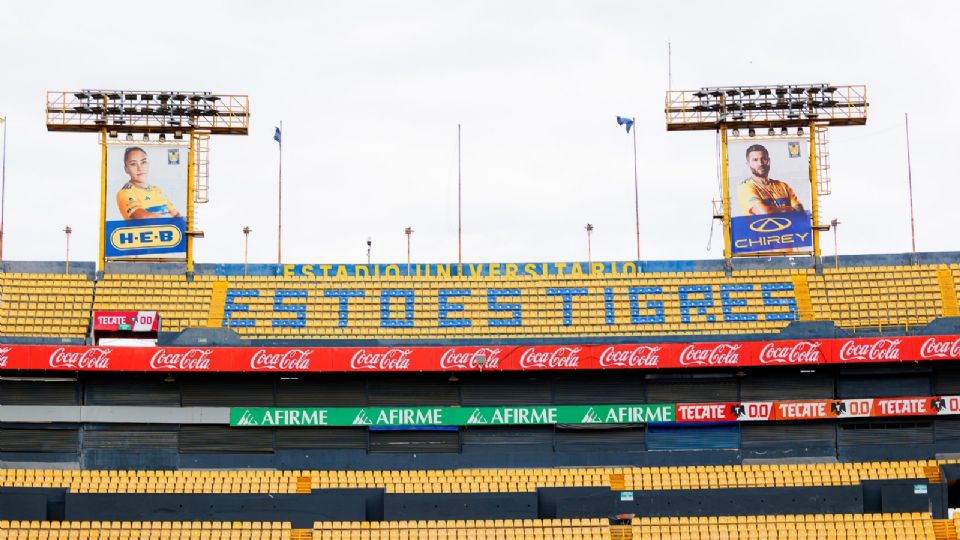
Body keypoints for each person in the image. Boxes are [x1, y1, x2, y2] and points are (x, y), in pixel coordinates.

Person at [115, 146, 182, 220]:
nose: (140, 168)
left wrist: (169, 216)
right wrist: (169, 216)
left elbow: (177, 215)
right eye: (133, 164)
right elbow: (145, 219)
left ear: (148, 164)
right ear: (126, 169)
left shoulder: (157, 190)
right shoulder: (125, 192)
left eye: (143, 162)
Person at [736, 144, 804, 216]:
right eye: (755, 160)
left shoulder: (783, 185)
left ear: (768, 161)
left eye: (764, 159)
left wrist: (773, 210)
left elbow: (800, 210)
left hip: (790, 227)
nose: (760, 163)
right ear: (748, 164)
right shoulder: (745, 187)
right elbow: (765, 212)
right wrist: (790, 209)